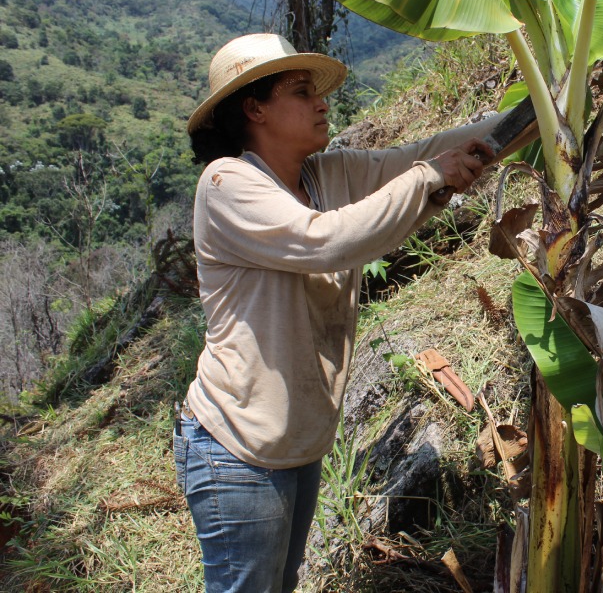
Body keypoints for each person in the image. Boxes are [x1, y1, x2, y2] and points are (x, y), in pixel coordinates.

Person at [173, 33, 505, 593]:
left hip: (296, 444)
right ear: (254, 107)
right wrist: (431, 177)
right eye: (301, 92)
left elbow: (419, 153)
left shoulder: (325, 176)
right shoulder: (227, 184)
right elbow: (325, 240)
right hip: (236, 448)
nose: (321, 102)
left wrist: (531, 109)